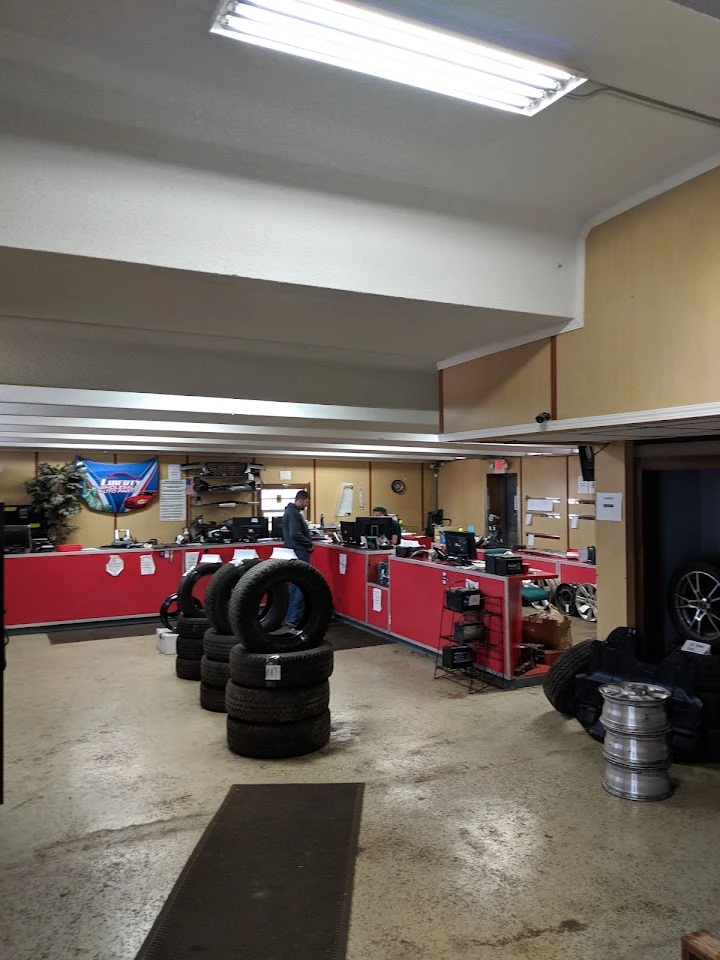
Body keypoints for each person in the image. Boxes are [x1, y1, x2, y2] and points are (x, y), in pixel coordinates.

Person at [282, 490, 313, 628]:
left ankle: (291, 616)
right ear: (301, 500)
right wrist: (309, 543)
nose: (306, 505)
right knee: (301, 583)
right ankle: (294, 618)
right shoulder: (293, 513)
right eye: (306, 502)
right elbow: (295, 533)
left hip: (293, 550)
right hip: (299, 550)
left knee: (295, 585)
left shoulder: (289, 511)